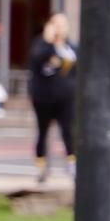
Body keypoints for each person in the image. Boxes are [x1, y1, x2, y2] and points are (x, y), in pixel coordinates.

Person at [29, 12, 78, 182]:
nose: (61, 29)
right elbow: (36, 59)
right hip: (44, 98)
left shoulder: (71, 47)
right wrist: (48, 41)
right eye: (57, 25)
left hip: (66, 98)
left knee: (68, 132)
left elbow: (77, 70)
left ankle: (73, 166)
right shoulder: (41, 46)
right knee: (43, 132)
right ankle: (41, 169)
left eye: (63, 25)